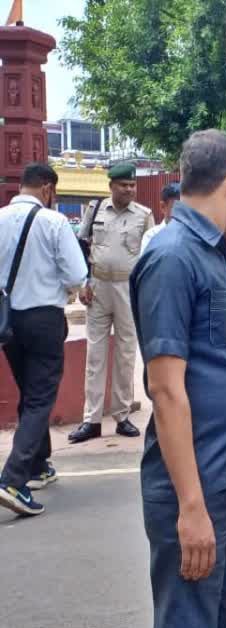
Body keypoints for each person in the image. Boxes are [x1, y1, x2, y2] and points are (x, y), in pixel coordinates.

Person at [130, 129, 226, 628]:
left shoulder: (208, 248)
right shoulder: (172, 256)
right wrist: (190, 508)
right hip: (196, 486)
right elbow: (164, 389)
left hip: (223, 478)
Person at [0, 163, 88, 517]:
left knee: (29, 392)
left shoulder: (0, 218)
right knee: (39, 398)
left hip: (7, 320)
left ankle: (38, 465)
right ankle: (12, 479)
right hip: (43, 318)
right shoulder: (53, 223)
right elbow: (76, 274)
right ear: (48, 189)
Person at [69, 161, 156, 444]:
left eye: (132, 185)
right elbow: (81, 247)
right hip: (98, 287)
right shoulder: (94, 211)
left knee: (125, 354)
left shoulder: (144, 215)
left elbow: (150, 256)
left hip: (127, 288)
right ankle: (91, 420)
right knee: (95, 356)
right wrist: (83, 283)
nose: (129, 189)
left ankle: (122, 415)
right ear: (111, 186)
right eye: (123, 185)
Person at [140, 181, 181, 253]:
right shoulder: (152, 236)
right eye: (177, 208)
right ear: (163, 207)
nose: (182, 213)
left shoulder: (194, 235)